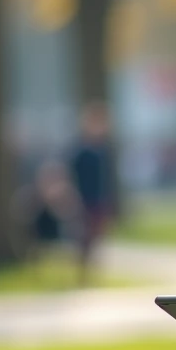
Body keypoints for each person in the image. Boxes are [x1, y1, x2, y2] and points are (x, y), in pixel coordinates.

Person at [68, 102, 115, 282]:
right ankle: (82, 272)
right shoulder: (80, 151)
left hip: (98, 199)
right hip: (84, 199)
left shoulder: (103, 151)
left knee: (96, 236)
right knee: (84, 237)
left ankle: (91, 271)